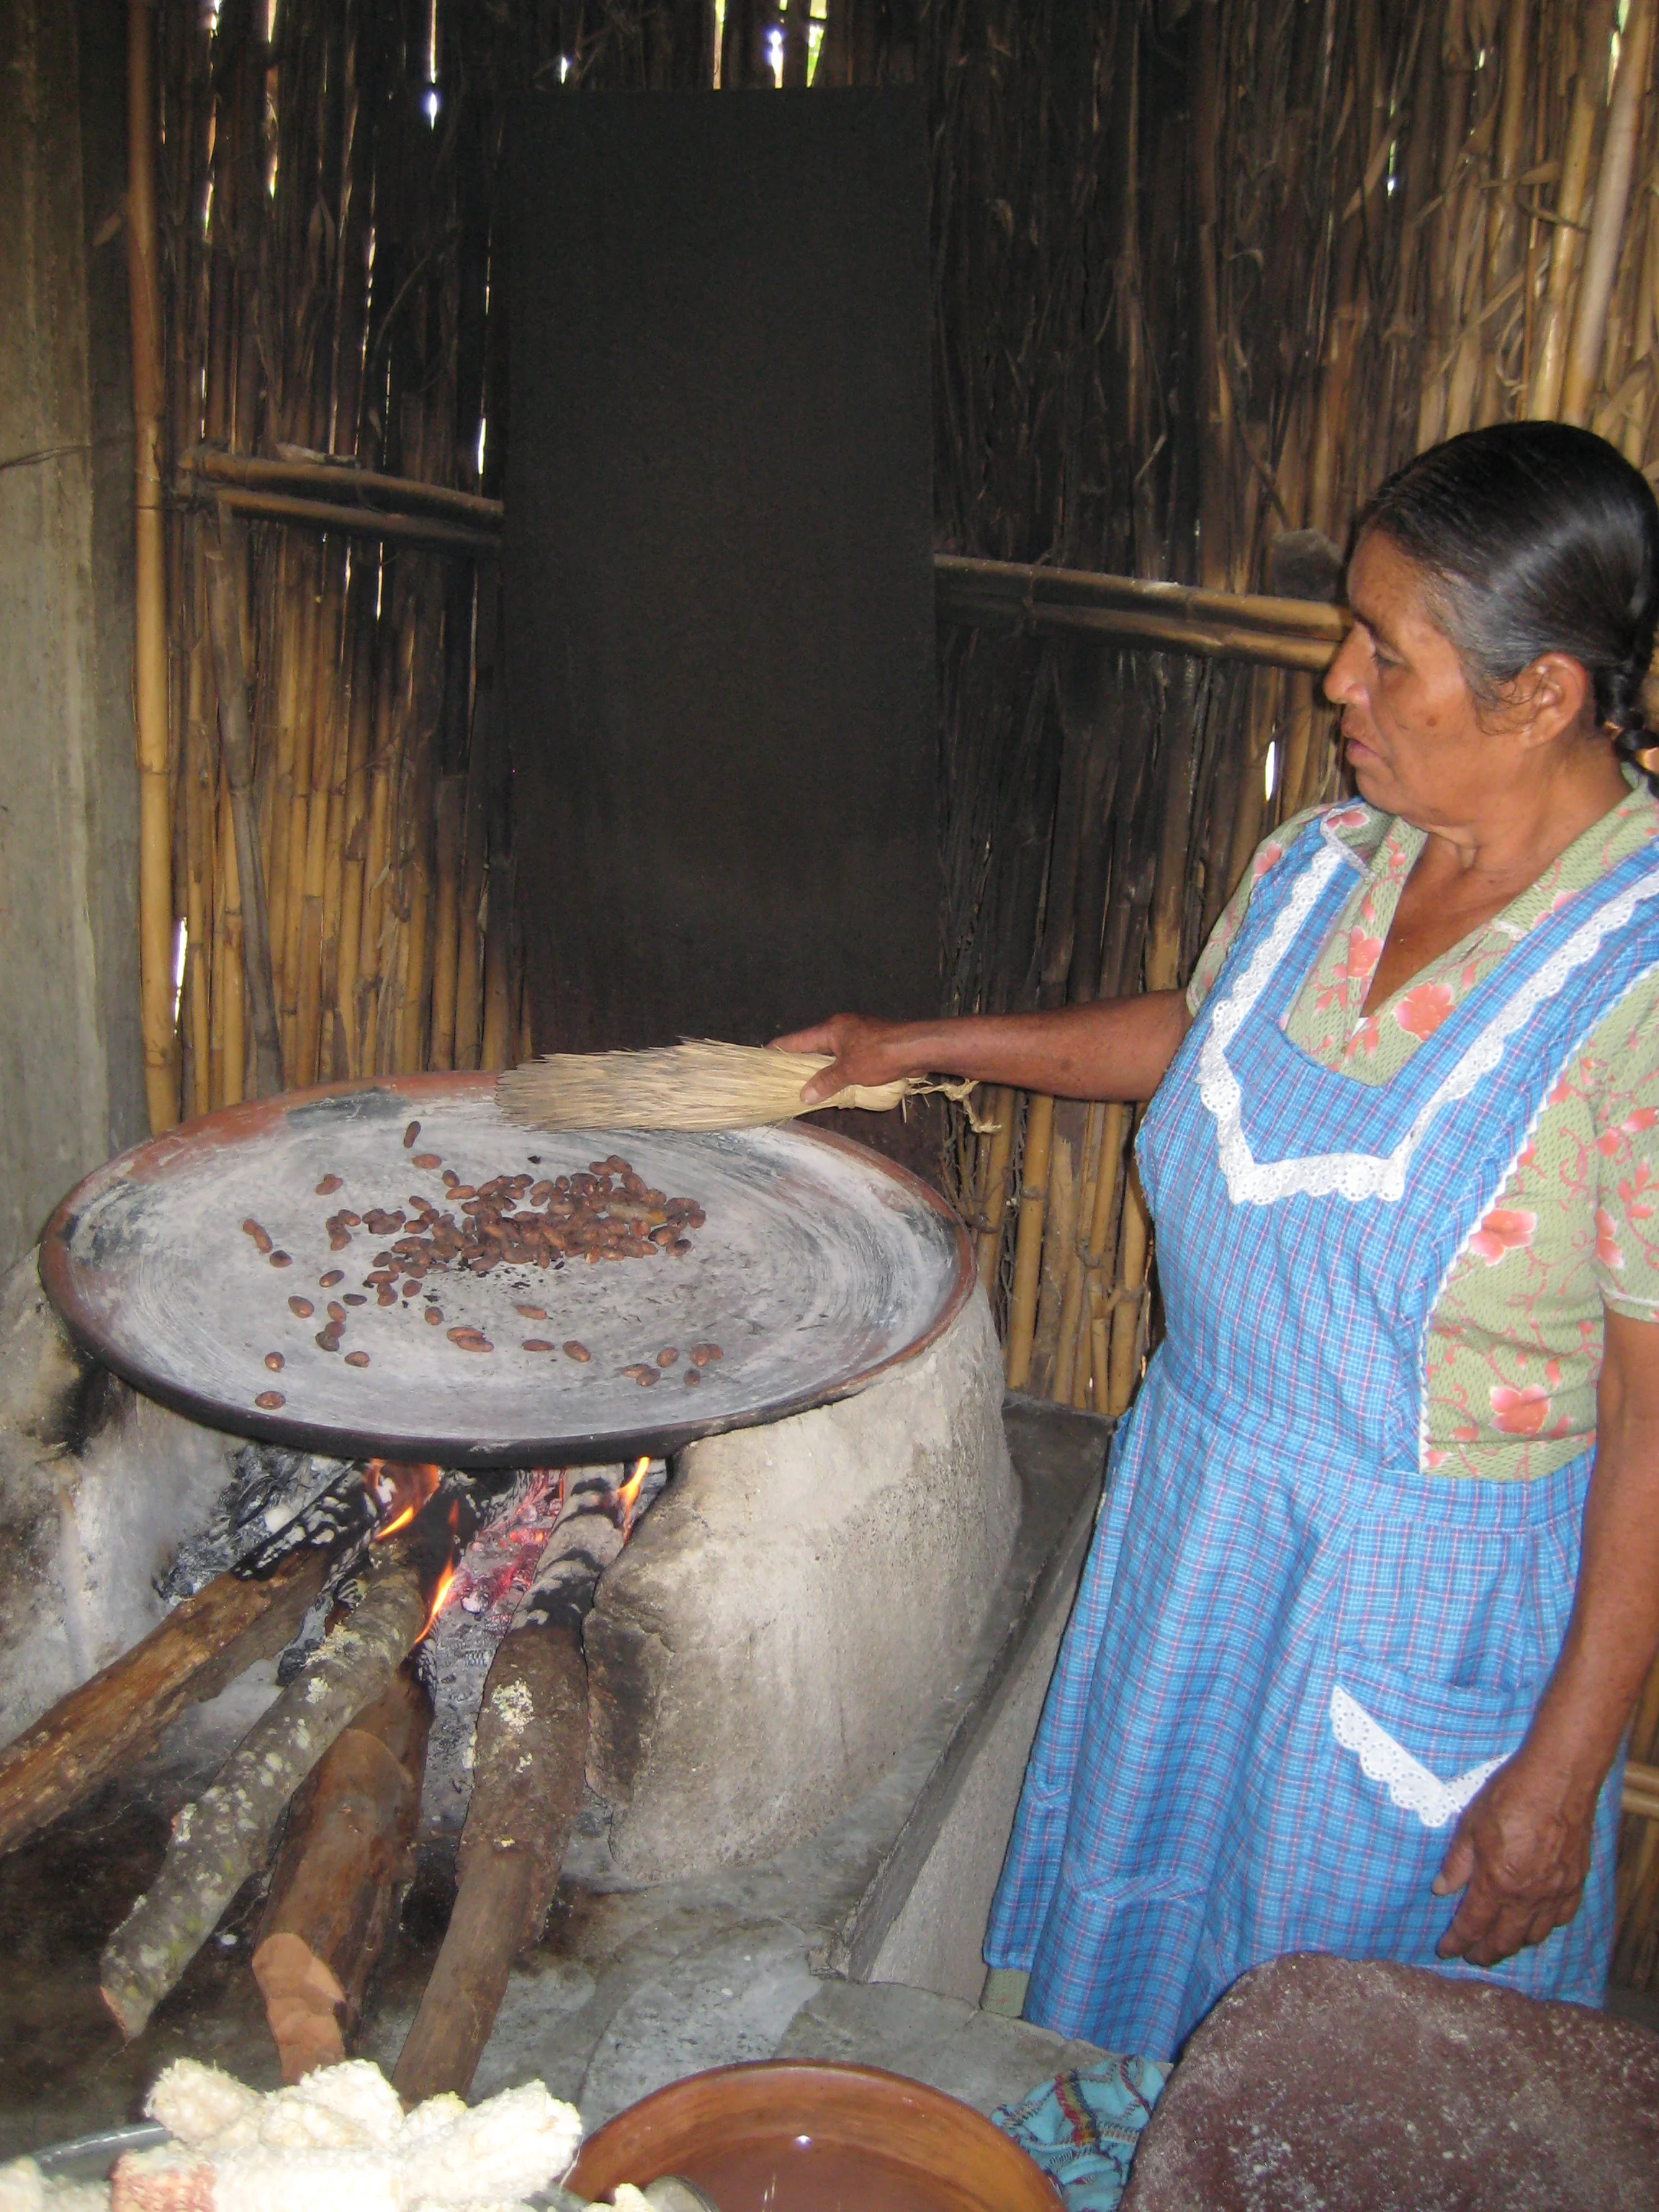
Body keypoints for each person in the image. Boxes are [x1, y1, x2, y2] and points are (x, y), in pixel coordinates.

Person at [776, 421, 1659, 2059]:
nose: (1337, 680)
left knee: (1335, 2046)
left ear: (1540, 694)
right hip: (1201, 1526)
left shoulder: (1639, 991)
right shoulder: (1331, 866)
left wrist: (1558, 1771)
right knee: (1146, 1989)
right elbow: (1207, 1040)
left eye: (1387, 655)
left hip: (1413, 1606)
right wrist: (920, 1044)